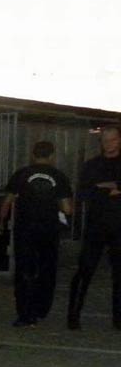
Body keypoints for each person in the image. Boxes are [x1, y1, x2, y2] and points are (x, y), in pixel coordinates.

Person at [0, 141, 73, 326]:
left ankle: (24, 313)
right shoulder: (59, 176)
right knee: (47, 270)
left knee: (24, 271)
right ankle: (40, 309)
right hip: (49, 231)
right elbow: (67, 209)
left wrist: (0, 222)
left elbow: (6, 202)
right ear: (52, 156)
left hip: (25, 230)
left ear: (33, 154)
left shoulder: (21, 174)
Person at [67, 124, 121, 329]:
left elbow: (95, 189)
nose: (108, 144)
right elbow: (84, 193)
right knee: (84, 270)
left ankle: (119, 319)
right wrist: (114, 186)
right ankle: (73, 316)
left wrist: (105, 186)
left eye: (113, 139)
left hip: (119, 227)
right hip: (96, 225)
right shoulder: (92, 165)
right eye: (105, 140)